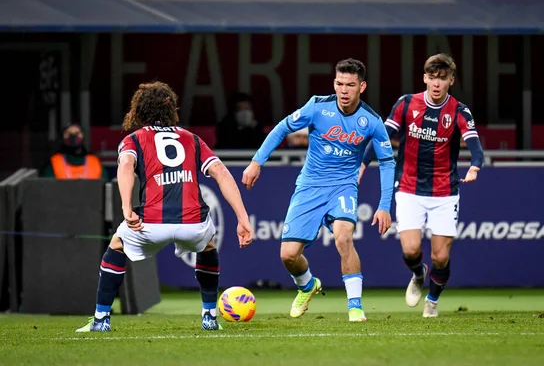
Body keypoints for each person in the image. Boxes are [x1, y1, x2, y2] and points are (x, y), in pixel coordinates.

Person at [76, 82, 253, 333]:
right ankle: (209, 316)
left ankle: (101, 319)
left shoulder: (133, 140)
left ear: (138, 110)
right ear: (172, 109)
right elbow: (221, 172)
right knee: (208, 246)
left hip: (150, 223)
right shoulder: (192, 139)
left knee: (116, 246)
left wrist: (126, 207)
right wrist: (242, 217)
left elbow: (125, 167)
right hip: (193, 223)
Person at [242, 59, 395, 322]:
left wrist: (384, 205)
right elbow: (281, 128)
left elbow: (387, 162)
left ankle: (355, 307)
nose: (343, 90)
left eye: (350, 85)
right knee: (289, 256)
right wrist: (257, 162)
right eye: (339, 84)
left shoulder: (371, 121)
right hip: (309, 187)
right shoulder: (317, 107)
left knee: (343, 238)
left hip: (343, 187)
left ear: (362, 86)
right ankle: (307, 285)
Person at [360, 53, 484, 318]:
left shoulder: (459, 111)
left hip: (444, 191)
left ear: (451, 80)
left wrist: (475, 166)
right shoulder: (406, 104)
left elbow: (476, 147)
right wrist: (362, 164)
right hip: (408, 188)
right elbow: (383, 138)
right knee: (411, 249)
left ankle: (433, 300)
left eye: (442, 78)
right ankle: (418, 274)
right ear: (424, 78)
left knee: (440, 256)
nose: (436, 84)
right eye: (432, 78)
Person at [41, 123, 109, 181]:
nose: (73, 136)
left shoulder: (95, 162)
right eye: (68, 133)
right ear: (62, 137)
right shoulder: (54, 163)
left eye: (77, 133)